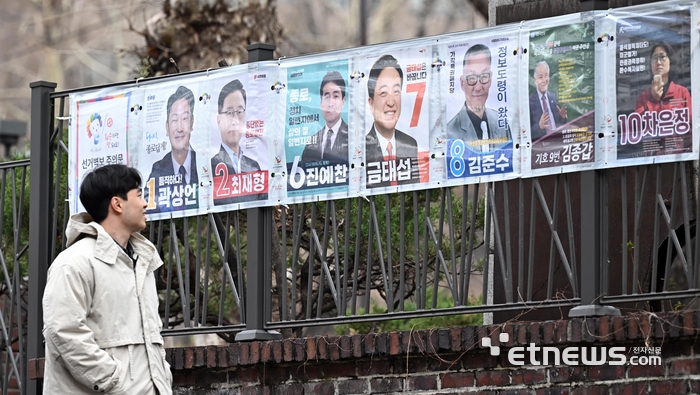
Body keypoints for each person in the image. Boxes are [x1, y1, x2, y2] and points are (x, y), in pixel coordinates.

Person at [42, 164, 172, 395]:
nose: (145, 204)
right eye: (139, 195)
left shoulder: (143, 262)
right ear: (117, 204)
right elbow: (63, 332)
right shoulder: (74, 262)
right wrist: (115, 383)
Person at [365, 54, 419, 187]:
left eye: (396, 92)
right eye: (383, 93)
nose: (391, 102)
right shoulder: (362, 148)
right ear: (371, 104)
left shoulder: (410, 144)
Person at [210, 79, 267, 204]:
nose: (235, 120)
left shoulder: (254, 166)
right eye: (229, 113)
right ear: (219, 120)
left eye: (240, 112)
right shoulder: (210, 166)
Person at [447, 44, 512, 152]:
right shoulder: (450, 131)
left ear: (490, 79)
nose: (478, 87)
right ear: (463, 83)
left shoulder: (501, 123)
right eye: (472, 78)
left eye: (484, 77)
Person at [147, 85, 199, 211]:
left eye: (185, 119)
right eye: (175, 120)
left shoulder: (203, 164)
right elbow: (149, 207)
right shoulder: (157, 171)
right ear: (167, 127)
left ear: (192, 123)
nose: (179, 128)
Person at [300, 71, 349, 166]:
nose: (330, 103)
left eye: (335, 96)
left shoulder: (352, 138)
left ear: (343, 101)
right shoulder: (311, 143)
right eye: (326, 96)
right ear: (321, 102)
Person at [635, 42, 692, 117]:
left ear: (670, 61)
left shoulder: (682, 92)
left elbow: (692, 124)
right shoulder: (643, 97)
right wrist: (654, 100)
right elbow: (637, 126)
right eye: (655, 58)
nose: (658, 62)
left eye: (662, 57)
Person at [529, 60, 568, 141]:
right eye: (540, 77)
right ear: (535, 80)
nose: (544, 80)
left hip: (557, 140)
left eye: (546, 76)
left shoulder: (553, 97)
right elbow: (525, 132)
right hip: (542, 145)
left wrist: (562, 118)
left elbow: (559, 124)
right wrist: (539, 126)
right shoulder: (529, 101)